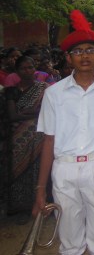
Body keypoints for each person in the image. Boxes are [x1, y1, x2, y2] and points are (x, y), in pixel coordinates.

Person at [32, 10, 94, 254]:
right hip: (64, 169)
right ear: (68, 58)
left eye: (90, 50)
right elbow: (48, 140)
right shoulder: (54, 93)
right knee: (69, 239)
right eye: (77, 52)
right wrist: (40, 189)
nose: (84, 56)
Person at [4, 56, 48, 221]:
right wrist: (31, 113)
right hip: (17, 139)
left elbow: (47, 111)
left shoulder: (44, 88)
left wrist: (27, 113)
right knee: (18, 172)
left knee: (38, 171)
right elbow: (12, 115)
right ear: (17, 71)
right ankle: (20, 208)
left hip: (39, 138)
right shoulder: (11, 91)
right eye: (23, 68)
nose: (27, 71)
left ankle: (40, 205)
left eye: (30, 67)